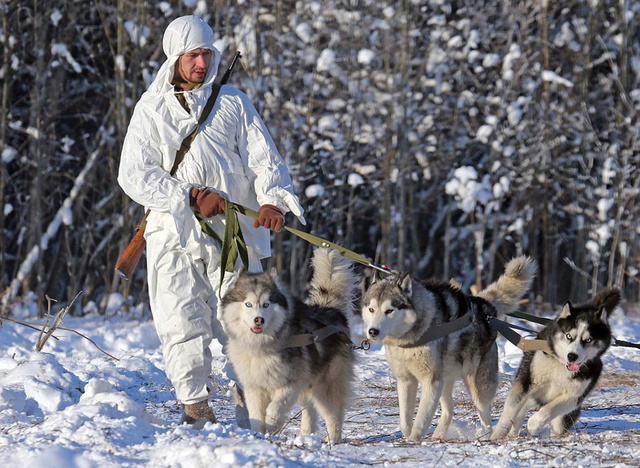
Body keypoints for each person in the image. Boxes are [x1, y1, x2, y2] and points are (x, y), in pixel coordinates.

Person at [117, 15, 304, 426]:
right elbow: (134, 174)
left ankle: (248, 399)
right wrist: (187, 196)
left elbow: (264, 158)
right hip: (172, 231)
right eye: (193, 55)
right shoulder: (151, 109)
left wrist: (273, 202)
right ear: (175, 58)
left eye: (207, 53)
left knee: (246, 317)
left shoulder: (234, 102)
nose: (202, 63)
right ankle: (195, 407)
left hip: (234, 232)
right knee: (179, 317)